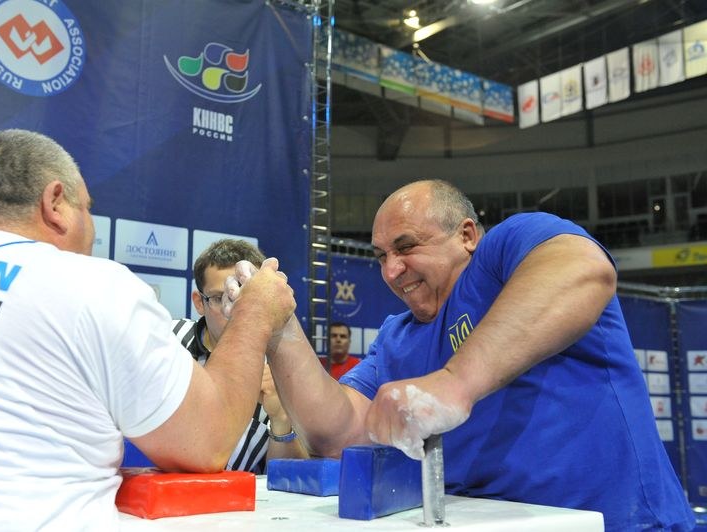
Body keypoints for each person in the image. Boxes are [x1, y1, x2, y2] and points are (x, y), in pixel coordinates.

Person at [0, 129, 295, 531]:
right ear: (55, 203)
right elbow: (207, 444)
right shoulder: (87, 283)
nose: (92, 230)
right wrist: (254, 310)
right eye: (87, 209)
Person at [257, 179, 695, 531]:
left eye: (407, 247)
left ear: (466, 235)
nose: (391, 270)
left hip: (619, 522)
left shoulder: (508, 248)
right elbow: (334, 435)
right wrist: (279, 326)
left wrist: (454, 382)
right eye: (381, 256)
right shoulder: (395, 338)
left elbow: (584, 270)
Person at [171, 238, 308, 472]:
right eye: (218, 298)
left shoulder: (285, 371)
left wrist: (281, 419)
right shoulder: (168, 341)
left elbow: (289, 478)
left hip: (237, 505)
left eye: (243, 297)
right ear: (199, 302)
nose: (231, 309)